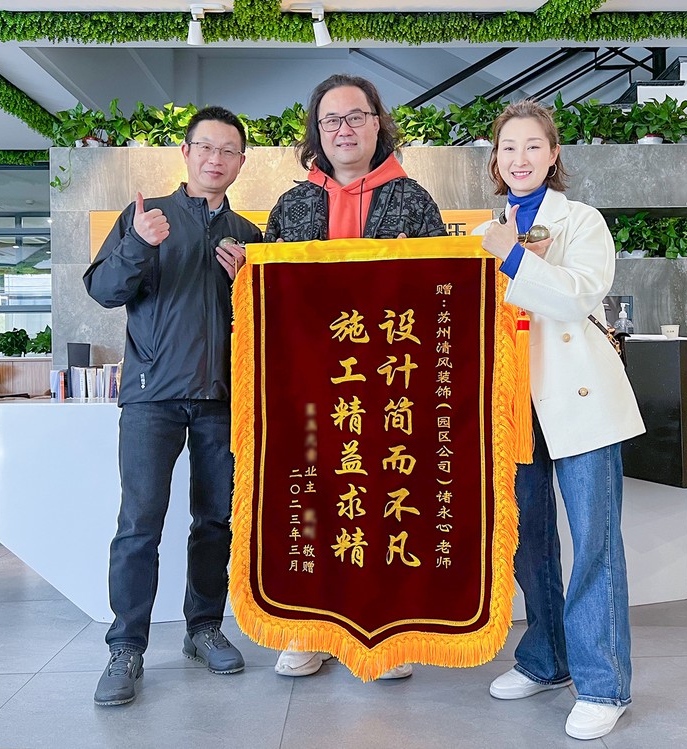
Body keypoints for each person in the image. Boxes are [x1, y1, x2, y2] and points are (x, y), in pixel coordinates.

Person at [265, 73, 447, 679]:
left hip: (388, 386)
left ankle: (386, 635)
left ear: (377, 123)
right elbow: (271, 301)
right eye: (331, 120)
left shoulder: (414, 201)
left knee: (388, 505)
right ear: (317, 132)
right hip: (312, 386)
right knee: (313, 505)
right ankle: (309, 629)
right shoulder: (292, 206)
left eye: (355, 117)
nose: (343, 130)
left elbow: (439, 295)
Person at [477, 101, 645, 741]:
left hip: (580, 403)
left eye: (532, 146)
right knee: (530, 543)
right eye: (508, 147)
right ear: (496, 161)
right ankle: (546, 660)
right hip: (513, 405)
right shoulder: (486, 230)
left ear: (553, 156)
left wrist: (515, 259)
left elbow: (579, 295)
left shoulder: (583, 221)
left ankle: (604, 684)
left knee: (595, 544)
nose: (519, 158)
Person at [84, 105, 262, 706]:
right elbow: (104, 290)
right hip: (151, 399)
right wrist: (138, 245)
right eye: (205, 147)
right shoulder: (146, 216)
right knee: (139, 524)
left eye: (228, 150)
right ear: (186, 153)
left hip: (222, 401)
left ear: (241, 162)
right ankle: (125, 646)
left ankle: (204, 628)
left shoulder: (250, 237)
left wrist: (249, 284)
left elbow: (265, 326)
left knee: (215, 521)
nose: (216, 159)